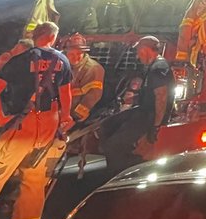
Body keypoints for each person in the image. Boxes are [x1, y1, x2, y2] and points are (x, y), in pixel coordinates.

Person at [0, 22, 73, 219]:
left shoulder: (19, 61)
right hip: (49, 128)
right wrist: (65, 118)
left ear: (35, 36)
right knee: (34, 181)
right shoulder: (63, 61)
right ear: (54, 38)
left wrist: (0, 121)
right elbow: (65, 96)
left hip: (21, 127)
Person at [99, 36, 173, 176]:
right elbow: (153, 94)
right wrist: (137, 97)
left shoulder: (158, 68)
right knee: (106, 126)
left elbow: (161, 97)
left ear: (145, 50)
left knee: (113, 146)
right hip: (143, 111)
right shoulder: (153, 66)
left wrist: (156, 127)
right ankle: (129, 162)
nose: (138, 56)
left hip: (148, 116)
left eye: (138, 52)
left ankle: (123, 174)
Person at [64, 34, 106, 124]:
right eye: (71, 54)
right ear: (66, 52)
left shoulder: (94, 69)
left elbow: (93, 95)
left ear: (84, 53)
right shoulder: (61, 64)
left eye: (79, 54)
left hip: (78, 115)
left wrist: (76, 117)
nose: (75, 57)